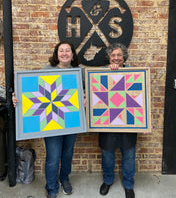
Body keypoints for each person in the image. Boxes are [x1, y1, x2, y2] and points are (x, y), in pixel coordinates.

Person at [12, 41, 84, 198]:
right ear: (56, 54)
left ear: (72, 55)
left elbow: (87, 91)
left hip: (71, 120)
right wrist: (16, 98)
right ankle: (51, 187)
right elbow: (30, 90)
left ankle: (64, 179)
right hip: (51, 121)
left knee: (67, 155)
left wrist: (84, 98)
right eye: (61, 50)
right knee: (53, 156)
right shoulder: (47, 70)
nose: (64, 53)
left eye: (67, 51)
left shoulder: (79, 72)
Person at [99, 43, 136, 198]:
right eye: (113, 55)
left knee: (128, 156)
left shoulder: (135, 74)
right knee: (107, 155)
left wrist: (146, 120)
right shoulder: (100, 74)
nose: (116, 58)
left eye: (119, 55)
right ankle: (108, 180)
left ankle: (128, 184)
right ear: (109, 57)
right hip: (107, 122)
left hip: (128, 121)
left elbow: (140, 99)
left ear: (124, 56)